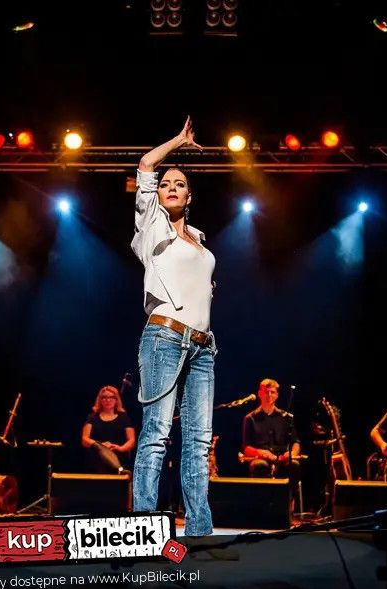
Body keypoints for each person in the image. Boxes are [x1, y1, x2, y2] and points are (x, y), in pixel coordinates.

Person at [131, 116, 218, 538]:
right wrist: (180, 141)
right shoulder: (152, 226)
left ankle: (198, 532)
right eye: (166, 184)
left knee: (199, 442)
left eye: (179, 184)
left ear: (189, 196)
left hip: (203, 347)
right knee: (157, 434)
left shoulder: (199, 241)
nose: (170, 187)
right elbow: (147, 165)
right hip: (165, 338)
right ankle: (143, 531)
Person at [241, 379, 302, 483]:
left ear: (277, 395)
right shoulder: (250, 418)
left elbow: (295, 442)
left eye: (272, 392)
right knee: (260, 465)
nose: (269, 395)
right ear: (259, 394)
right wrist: (260, 452)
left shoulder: (287, 417)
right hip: (261, 458)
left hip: (282, 458)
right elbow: (246, 447)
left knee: (294, 465)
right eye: (266, 392)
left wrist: (292, 452)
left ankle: (290, 494)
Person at [81, 386, 136, 475]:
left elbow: (131, 440)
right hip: (97, 456)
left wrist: (120, 448)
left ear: (116, 400)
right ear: (100, 400)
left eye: (111, 397)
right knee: (100, 452)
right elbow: (84, 439)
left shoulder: (124, 418)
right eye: (104, 397)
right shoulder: (92, 418)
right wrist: (100, 445)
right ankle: (118, 469)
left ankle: (118, 468)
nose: (108, 400)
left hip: (118, 454)